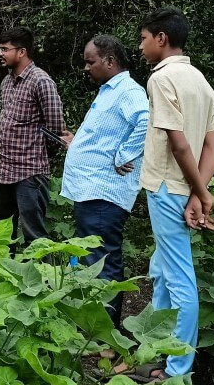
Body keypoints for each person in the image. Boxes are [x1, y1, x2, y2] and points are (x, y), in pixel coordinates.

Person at [126, 6, 214, 383]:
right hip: (183, 188)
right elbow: (213, 146)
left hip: (167, 187)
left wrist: (200, 193)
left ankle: (178, 370)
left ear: (161, 39)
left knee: (179, 278)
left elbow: (180, 146)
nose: (140, 46)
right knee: (163, 272)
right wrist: (199, 193)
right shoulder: (200, 81)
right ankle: (158, 357)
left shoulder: (161, 78)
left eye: (143, 38)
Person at [59, 35, 149, 326]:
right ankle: (86, 324)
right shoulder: (108, 91)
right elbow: (106, 136)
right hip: (90, 192)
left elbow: (146, 120)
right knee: (86, 256)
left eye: (90, 61)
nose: (86, 68)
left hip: (104, 195)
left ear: (109, 61)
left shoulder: (127, 90)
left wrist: (125, 155)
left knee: (103, 262)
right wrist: (79, 143)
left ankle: (105, 337)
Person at [0, 26, 65, 245]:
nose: (0, 54)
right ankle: (3, 277)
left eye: (5, 49)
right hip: (3, 170)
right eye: (0, 48)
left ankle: (42, 277)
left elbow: (56, 132)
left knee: (35, 237)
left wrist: (37, 156)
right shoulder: (7, 82)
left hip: (29, 172)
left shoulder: (41, 81)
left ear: (21, 52)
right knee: (2, 235)